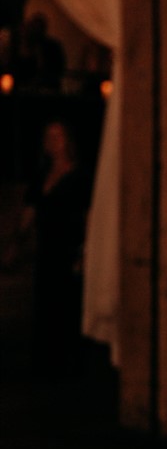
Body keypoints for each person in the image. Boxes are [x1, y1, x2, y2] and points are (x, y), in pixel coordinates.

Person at [15, 117, 91, 376]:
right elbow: (31, 210)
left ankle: (68, 363)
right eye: (49, 138)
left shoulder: (79, 176)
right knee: (45, 302)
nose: (53, 143)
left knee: (66, 303)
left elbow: (87, 214)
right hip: (47, 247)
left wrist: (85, 249)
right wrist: (17, 241)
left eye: (57, 137)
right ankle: (46, 362)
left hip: (69, 247)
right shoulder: (42, 176)